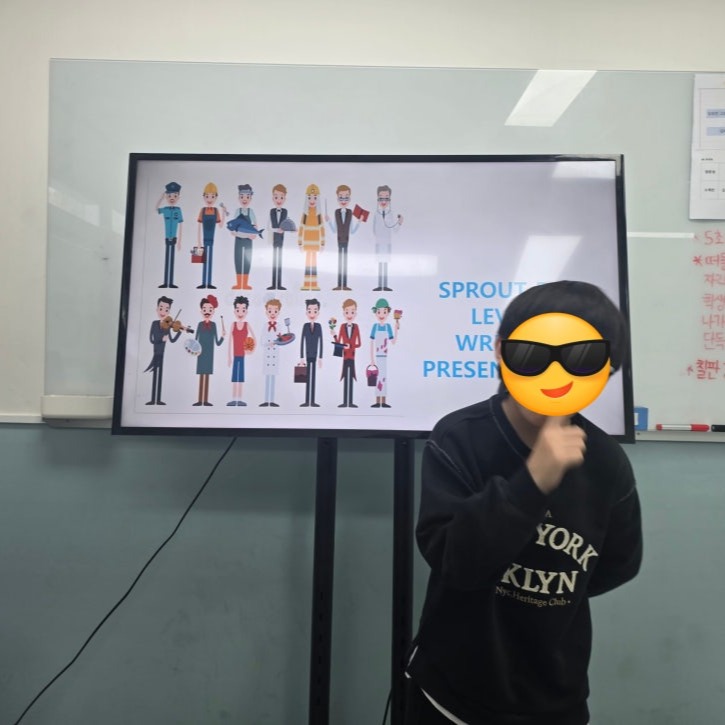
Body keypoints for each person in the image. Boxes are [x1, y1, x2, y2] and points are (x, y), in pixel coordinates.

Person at [405, 280, 643, 725]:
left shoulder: (606, 461)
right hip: (452, 693)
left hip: (553, 695)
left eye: (581, 360)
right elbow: (453, 560)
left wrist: (542, 595)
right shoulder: (459, 438)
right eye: (533, 355)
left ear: (606, 369)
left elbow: (618, 564)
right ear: (502, 351)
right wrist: (533, 481)